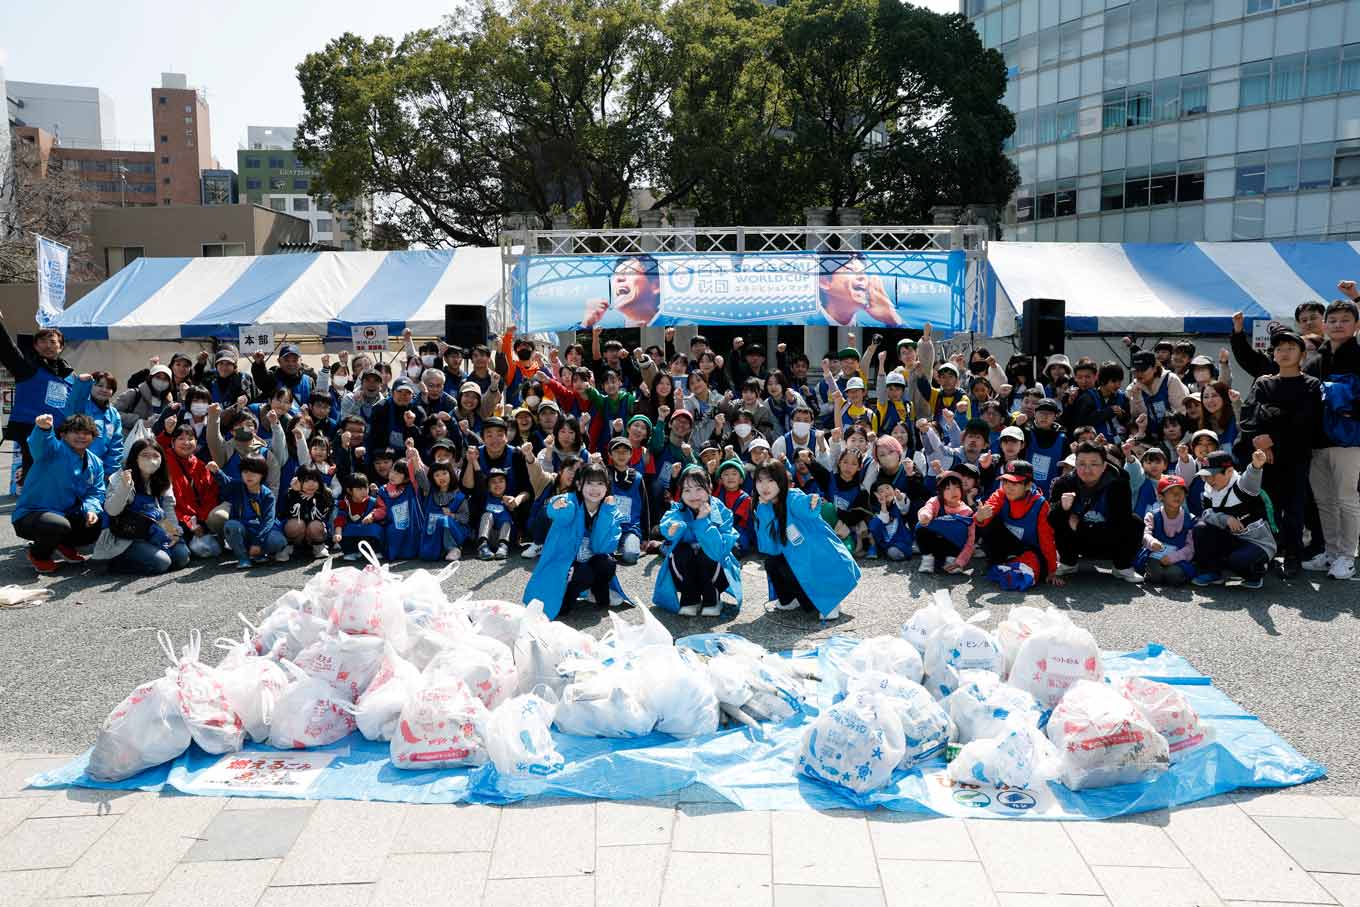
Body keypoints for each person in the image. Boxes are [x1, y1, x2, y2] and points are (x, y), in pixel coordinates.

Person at [1233, 327, 1323, 576]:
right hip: (1265, 456)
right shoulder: (1264, 382)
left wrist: (1272, 435)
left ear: (1302, 354)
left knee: (1294, 508)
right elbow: (1250, 415)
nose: (1284, 353)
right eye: (1279, 349)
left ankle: (1293, 555)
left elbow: (1306, 420)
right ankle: (1268, 552)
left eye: (1290, 348)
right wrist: (1260, 440)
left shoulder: (1311, 384)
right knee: (1267, 506)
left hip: (1296, 455)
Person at [752, 461, 861, 620]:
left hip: (817, 555)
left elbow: (804, 506)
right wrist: (763, 511)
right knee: (772, 562)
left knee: (809, 592)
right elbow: (769, 548)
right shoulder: (764, 507)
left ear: (781, 481)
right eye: (760, 480)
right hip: (797, 557)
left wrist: (811, 502)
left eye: (770, 480)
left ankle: (831, 601)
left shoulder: (792, 497)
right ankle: (790, 599)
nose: (764, 486)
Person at [522, 463, 629, 617]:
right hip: (565, 563)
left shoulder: (610, 509)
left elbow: (602, 547)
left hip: (589, 559)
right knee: (580, 579)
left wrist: (607, 513)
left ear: (607, 487)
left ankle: (594, 593)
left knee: (607, 563)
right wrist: (556, 505)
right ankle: (565, 598)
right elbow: (560, 511)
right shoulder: (571, 502)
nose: (595, 489)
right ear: (579, 485)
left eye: (600, 483)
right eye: (589, 483)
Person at [1303, 299, 1360, 580]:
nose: (1338, 325)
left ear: (1356, 325)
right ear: (1324, 325)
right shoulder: (1315, 360)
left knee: (1347, 499)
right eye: (1333, 320)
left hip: (1349, 440)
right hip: (1317, 441)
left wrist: (1350, 409)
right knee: (1324, 501)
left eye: (1345, 320)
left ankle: (1348, 556)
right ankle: (1332, 552)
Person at [13, 413, 106, 572]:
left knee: (97, 521)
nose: (81, 436)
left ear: (93, 436)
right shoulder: (52, 450)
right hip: (32, 514)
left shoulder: (95, 462)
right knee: (56, 525)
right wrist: (43, 429)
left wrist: (91, 510)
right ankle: (39, 555)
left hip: (65, 514)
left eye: (86, 433)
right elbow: (39, 444)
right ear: (63, 434)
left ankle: (62, 544)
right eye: (75, 432)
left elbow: (96, 492)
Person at [1047, 440, 1144, 582]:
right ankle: (1068, 562)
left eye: (1094, 464)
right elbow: (1050, 520)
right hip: (1076, 542)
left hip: (1108, 542)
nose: (1087, 470)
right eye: (1081, 464)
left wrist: (1079, 526)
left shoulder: (1119, 484)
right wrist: (1063, 508)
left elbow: (1121, 524)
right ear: (1075, 464)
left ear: (1104, 466)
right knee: (1060, 517)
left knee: (1135, 522)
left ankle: (1122, 567)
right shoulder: (1063, 483)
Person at [654, 466, 743, 616]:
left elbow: (718, 551)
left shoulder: (722, 512)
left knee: (707, 552)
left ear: (709, 487)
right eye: (687, 490)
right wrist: (672, 529)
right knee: (681, 551)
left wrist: (702, 521)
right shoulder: (679, 509)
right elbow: (668, 524)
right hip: (685, 575)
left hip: (717, 573)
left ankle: (712, 600)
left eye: (698, 489)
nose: (693, 495)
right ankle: (690, 600)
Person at [93, 440, 190, 575]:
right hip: (125, 532)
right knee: (162, 563)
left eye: (155, 456)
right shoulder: (121, 477)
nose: (151, 460)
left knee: (181, 557)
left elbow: (167, 508)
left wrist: (172, 531)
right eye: (145, 455)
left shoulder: (162, 479)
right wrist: (125, 487)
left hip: (155, 527)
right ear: (135, 458)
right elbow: (112, 510)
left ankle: (149, 553)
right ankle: (112, 562)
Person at [0, 318, 75, 487]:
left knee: (58, 476)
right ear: (35, 346)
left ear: (61, 346)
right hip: (31, 430)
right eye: (42, 341)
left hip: (62, 432)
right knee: (35, 474)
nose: (48, 345)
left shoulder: (70, 375)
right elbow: (6, 349)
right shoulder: (27, 368)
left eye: (53, 342)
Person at [1191, 449, 1275, 589]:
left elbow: (1251, 477)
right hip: (1232, 538)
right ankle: (1213, 572)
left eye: (1212, 475)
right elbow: (1206, 513)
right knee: (1201, 527)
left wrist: (1256, 465)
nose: (1208, 480)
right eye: (1205, 476)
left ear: (1229, 471)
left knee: (1239, 560)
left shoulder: (1242, 485)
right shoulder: (1209, 489)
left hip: (1257, 542)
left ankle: (1256, 572)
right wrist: (1226, 519)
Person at [973, 460, 1059, 590]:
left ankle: (1010, 563)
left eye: (1015, 483)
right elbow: (986, 512)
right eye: (1006, 481)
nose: (1008, 487)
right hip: (1008, 544)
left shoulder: (1040, 504)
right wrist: (979, 517)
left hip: (1030, 548)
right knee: (987, 521)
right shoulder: (1001, 494)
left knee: (1038, 567)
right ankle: (996, 560)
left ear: (1028, 485)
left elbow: (1046, 539)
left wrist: (1052, 570)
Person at [158, 421, 222, 559]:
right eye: (181, 438)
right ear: (172, 442)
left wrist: (201, 522)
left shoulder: (200, 465)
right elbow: (156, 447)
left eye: (190, 438)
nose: (186, 442)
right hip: (175, 519)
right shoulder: (165, 462)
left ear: (196, 442)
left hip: (198, 519)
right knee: (182, 554)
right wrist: (189, 524)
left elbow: (210, 496)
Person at [209, 456, 287, 568]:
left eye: (254, 472)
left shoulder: (268, 495)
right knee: (231, 525)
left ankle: (259, 554)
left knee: (278, 541)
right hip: (243, 530)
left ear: (262, 475)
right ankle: (243, 558)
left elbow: (268, 521)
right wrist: (217, 471)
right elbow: (226, 481)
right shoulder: (238, 487)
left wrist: (258, 542)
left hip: (260, 532)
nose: (249, 476)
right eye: (245, 472)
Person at [1136, 475, 1196, 586]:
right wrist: (1151, 542)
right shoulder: (1152, 515)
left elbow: (1190, 548)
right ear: (1160, 497)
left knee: (1174, 576)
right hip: (1155, 555)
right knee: (1156, 575)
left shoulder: (1189, 519)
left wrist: (1173, 558)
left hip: (1178, 558)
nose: (1177, 495)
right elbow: (1145, 534)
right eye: (1172, 492)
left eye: (1181, 492)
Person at [64, 372, 125, 480]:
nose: (104, 390)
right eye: (99, 385)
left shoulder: (114, 414)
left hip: (99, 472)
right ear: (91, 386)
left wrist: (110, 472)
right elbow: (73, 402)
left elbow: (116, 445)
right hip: (72, 467)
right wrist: (82, 384)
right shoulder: (81, 406)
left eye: (109, 387)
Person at [915, 470, 975, 574]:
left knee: (961, 527)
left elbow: (970, 540)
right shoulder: (935, 502)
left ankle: (952, 560)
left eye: (957, 487)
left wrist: (960, 562)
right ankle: (928, 559)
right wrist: (925, 516)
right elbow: (927, 509)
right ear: (940, 492)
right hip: (935, 546)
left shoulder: (967, 511)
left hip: (954, 549)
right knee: (921, 526)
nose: (953, 491)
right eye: (947, 488)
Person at [605, 437, 649, 564]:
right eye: (617, 451)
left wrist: (646, 537)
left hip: (630, 528)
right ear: (610, 454)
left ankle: (625, 546)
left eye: (625, 451)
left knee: (631, 556)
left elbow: (644, 507)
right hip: (608, 528)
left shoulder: (638, 478)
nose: (621, 455)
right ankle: (614, 548)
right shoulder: (604, 474)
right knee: (602, 555)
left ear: (631, 454)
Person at [1127, 350, 1187, 441]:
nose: (1138, 374)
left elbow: (1181, 411)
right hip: (1151, 437)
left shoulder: (1170, 380)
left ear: (1155, 368)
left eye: (1143, 370)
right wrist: (1136, 397)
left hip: (1176, 436)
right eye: (1136, 370)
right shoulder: (1134, 387)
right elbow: (1138, 417)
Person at [419, 460, 470, 561]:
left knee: (444, 520)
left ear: (451, 474)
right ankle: (441, 550)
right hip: (434, 534)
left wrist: (452, 515)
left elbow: (465, 518)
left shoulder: (459, 496)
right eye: (437, 475)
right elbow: (420, 478)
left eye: (444, 473)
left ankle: (453, 548)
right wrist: (415, 458)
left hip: (456, 532)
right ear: (433, 478)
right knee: (426, 555)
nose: (441, 477)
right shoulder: (430, 494)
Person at [283, 465, 335, 559]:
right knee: (295, 524)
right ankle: (289, 546)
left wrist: (313, 500)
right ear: (298, 481)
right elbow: (290, 514)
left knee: (315, 525)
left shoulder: (325, 494)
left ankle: (318, 547)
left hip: (315, 534)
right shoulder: (291, 493)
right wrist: (297, 495)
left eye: (315, 480)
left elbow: (320, 516)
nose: (311, 485)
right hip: (298, 535)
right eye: (306, 481)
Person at [334, 472, 387, 560]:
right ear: (349, 490)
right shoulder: (345, 504)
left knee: (375, 528)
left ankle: (374, 550)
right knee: (345, 529)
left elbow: (382, 511)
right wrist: (338, 533)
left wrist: (372, 516)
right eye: (359, 489)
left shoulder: (373, 501)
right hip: (353, 531)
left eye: (365, 488)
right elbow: (340, 519)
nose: (364, 491)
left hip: (368, 531)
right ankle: (352, 551)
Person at [868, 480, 914, 561]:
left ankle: (905, 551)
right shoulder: (877, 509)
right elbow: (884, 520)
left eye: (887, 488)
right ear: (876, 495)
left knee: (894, 552)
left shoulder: (899, 500)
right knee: (875, 522)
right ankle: (875, 547)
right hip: (886, 541)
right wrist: (883, 504)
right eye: (881, 491)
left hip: (901, 539)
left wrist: (900, 498)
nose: (886, 492)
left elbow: (904, 509)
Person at [476, 468, 516, 560]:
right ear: (488, 486)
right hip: (488, 535)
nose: (497, 484)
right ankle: (482, 546)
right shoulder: (484, 498)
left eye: (501, 481)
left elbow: (516, 520)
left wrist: (511, 507)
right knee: (487, 515)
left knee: (506, 517)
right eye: (493, 482)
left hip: (505, 537)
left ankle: (503, 547)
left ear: (506, 484)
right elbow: (479, 478)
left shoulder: (510, 499)